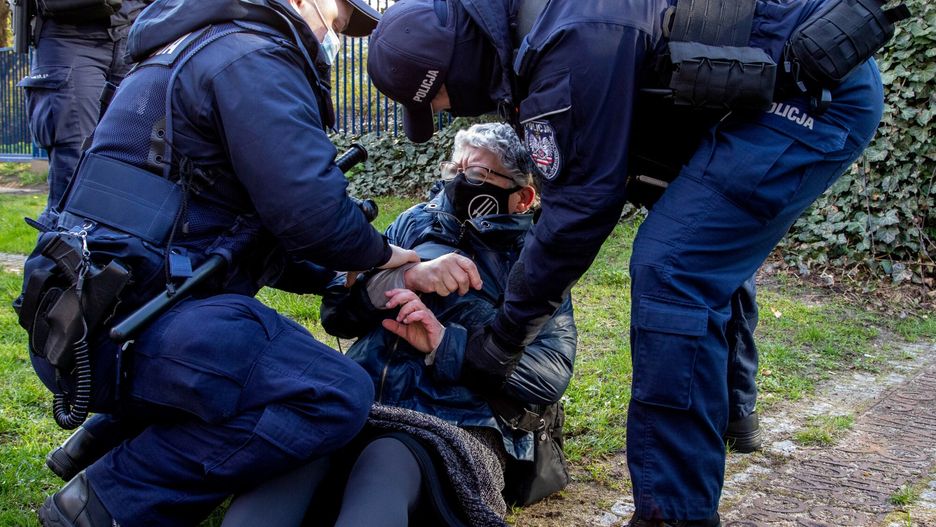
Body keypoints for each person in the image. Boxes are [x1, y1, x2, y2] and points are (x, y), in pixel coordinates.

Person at [364, 0, 889, 525]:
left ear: (454, 63)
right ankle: (734, 406)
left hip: (809, 90)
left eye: (436, 98)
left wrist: (500, 342)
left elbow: (578, 211)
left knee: (673, 268)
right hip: (745, 89)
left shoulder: (573, 37)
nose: (444, 112)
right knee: (699, 246)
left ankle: (675, 514)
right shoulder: (529, 34)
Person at [15, 0, 421, 525]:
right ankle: (111, 497)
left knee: (253, 360)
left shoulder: (186, 48)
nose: (337, 35)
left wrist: (344, 275)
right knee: (335, 393)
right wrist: (384, 253)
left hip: (80, 323)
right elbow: (311, 213)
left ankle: (100, 442)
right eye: (339, 20)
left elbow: (243, 234)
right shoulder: (250, 58)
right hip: (129, 328)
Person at [219, 122, 578, 527]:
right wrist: (401, 278)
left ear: (523, 197)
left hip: (458, 421)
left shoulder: (535, 261)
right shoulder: (412, 223)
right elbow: (337, 314)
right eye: (454, 170)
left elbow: (551, 373)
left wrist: (446, 345)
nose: (459, 183)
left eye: (477, 174)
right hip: (358, 397)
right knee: (290, 462)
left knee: (385, 466)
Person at [18, 0, 154, 218]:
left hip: (137, 30)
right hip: (70, 35)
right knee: (76, 169)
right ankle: (63, 247)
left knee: (137, 165)